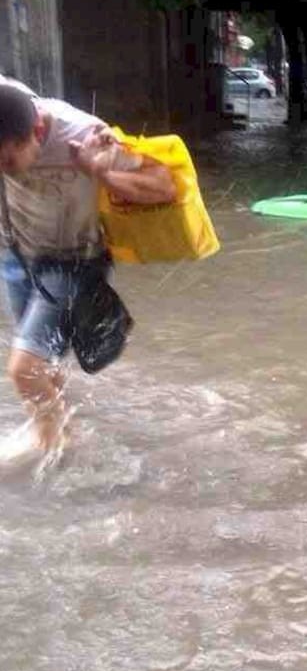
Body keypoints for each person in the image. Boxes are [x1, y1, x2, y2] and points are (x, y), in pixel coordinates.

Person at [0, 83, 176, 461]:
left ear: (37, 132)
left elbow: (165, 186)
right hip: (15, 254)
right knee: (43, 367)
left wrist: (102, 173)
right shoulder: (10, 107)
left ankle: (55, 464)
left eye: (7, 163)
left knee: (24, 369)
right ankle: (62, 438)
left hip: (73, 261)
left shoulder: (84, 136)